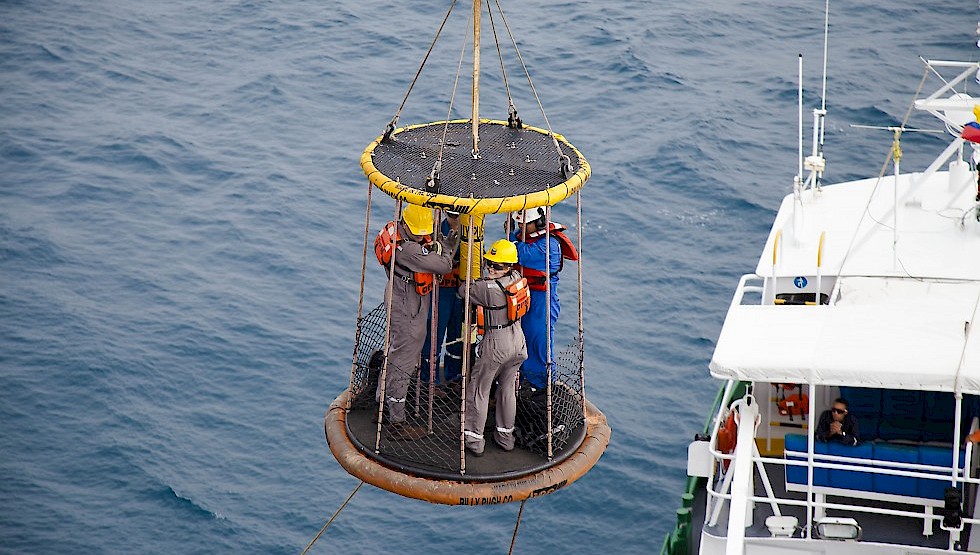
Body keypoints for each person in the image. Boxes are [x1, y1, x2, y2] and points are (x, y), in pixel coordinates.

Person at [374, 204, 459, 439]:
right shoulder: (410, 250)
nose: (424, 235)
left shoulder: (397, 232)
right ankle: (396, 422)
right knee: (404, 361)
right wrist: (447, 248)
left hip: (398, 297)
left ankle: (382, 404)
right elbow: (444, 266)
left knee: (393, 351)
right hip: (408, 308)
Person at [459, 239, 529, 456]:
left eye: (497, 266)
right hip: (518, 340)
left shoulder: (487, 288)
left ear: (508, 266)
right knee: (507, 389)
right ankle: (506, 438)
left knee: (479, 388)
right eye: (490, 263)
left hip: (497, 342)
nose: (491, 268)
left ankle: (474, 441)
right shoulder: (516, 278)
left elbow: (463, 290)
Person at [510, 207, 578, 390]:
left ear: (538, 222)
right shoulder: (521, 236)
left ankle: (541, 387)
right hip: (523, 296)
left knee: (538, 344)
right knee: (519, 340)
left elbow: (521, 254)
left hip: (543, 301)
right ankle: (523, 382)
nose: (520, 227)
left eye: (525, 223)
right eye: (519, 223)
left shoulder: (549, 245)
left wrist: (510, 240)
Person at [419, 217, 464, 391]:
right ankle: (430, 379)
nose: (455, 218)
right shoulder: (436, 229)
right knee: (434, 334)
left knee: (458, 334)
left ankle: (455, 375)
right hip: (441, 289)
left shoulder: (471, 230)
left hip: (460, 289)